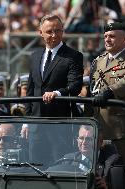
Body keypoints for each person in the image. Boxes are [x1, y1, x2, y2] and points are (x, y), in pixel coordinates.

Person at [24, 14, 83, 165]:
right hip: (36, 127)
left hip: (59, 126)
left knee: (60, 169)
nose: (54, 35)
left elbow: (75, 86)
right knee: (35, 169)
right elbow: (31, 90)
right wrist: (26, 121)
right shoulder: (35, 56)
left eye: (58, 31)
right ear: (41, 33)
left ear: (63, 31)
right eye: (49, 31)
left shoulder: (73, 56)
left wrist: (57, 93)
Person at [90, 20, 125, 165]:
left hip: (120, 129)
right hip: (97, 127)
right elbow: (91, 86)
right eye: (106, 36)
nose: (107, 40)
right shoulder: (98, 61)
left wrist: (109, 92)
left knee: (123, 171)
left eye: (112, 36)